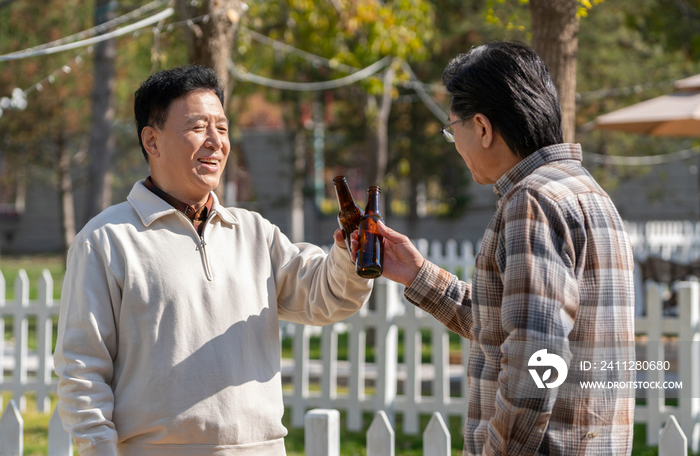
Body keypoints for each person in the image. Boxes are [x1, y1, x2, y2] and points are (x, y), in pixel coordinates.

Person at [54, 64, 373, 456]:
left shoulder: (255, 232)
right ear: (151, 141)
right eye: (197, 127)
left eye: (221, 128)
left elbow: (326, 296)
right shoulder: (105, 241)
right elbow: (81, 371)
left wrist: (350, 254)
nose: (215, 142)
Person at [356, 41, 635, 455]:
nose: (456, 143)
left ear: (483, 128)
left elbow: (535, 358)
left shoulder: (532, 201)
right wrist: (418, 275)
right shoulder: (588, 192)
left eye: (454, 129)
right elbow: (512, 328)